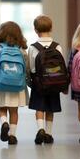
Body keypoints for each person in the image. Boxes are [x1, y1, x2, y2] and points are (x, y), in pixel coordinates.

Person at [0, 21, 30, 145]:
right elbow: (27, 68)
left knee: (2, 109)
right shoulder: (22, 50)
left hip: (1, 84)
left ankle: (4, 123)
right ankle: (12, 136)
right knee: (14, 111)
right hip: (17, 86)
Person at [28, 15, 65, 145]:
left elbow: (32, 68)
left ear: (35, 30)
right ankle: (49, 134)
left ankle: (40, 129)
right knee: (50, 109)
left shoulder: (33, 47)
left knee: (40, 107)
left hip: (39, 83)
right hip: (54, 83)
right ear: (51, 28)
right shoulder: (57, 47)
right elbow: (62, 67)